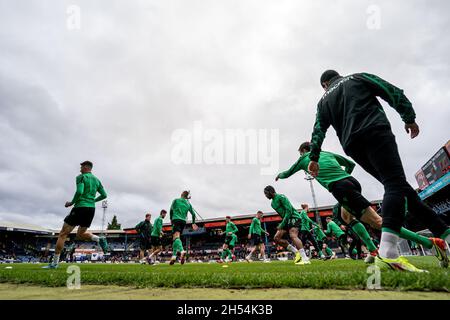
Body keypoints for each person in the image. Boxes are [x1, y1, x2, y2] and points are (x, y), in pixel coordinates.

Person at [307, 70, 449, 272]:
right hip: (374, 130)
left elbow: (318, 130)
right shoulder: (357, 77)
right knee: (394, 183)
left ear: (324, 85)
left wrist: (314, 157)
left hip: (353, 145)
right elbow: (390, 91)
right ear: (338, 75)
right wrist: (408, 116)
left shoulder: (323, 102)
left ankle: (444, 235)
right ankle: (388, 252)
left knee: (400, 187)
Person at [278, 140, 448, 266]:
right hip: (351, 182)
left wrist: (280, 175)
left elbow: (288, 172)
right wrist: (343, 176)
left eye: (300, 153)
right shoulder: (328, 154)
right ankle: (373, 250)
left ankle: (431, 243)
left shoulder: (305, 159)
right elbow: (350, 164)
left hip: (340, 188)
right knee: (347, 216)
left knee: (377, 222)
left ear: (303, 151)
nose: (301, 156)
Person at [43, 161, 108, 269]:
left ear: (86, 167)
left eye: (81, 167)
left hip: (80, 207)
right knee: (80, 234)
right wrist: (92, 200)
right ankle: (98, 239)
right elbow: (104, 195)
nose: (80, 169)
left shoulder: (81, 177)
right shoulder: (97, 180)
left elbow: (79, 191)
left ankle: (54, 263)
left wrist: (71, 203)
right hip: (91, 209)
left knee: (63, 234)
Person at [264, 186, 310, 265]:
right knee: (276, 238)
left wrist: (282, 224)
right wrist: (283, 223)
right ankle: (296, 252)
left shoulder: (281, 197)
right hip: (286, 220)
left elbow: (289, 211)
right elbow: (283, 214)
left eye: (266, 193)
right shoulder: (272, 204)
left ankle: (305, 258)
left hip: (293, 217)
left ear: (270, 192)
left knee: (293, 235)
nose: (265, 195)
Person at [169, 191, 198, 265]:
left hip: (176, 219)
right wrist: (193, 223)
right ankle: (174, 256)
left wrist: (171, 219)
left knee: (176, 236)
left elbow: (171, 210)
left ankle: (182, 251)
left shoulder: (176, 200)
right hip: (183, 221)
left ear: (181, 194)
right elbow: (193, 214)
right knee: (174, 239)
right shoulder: (188, 203)